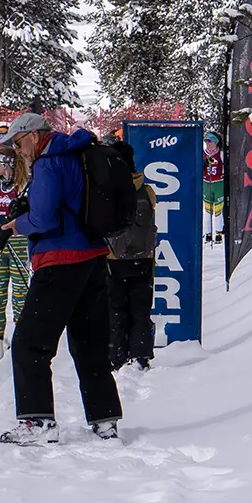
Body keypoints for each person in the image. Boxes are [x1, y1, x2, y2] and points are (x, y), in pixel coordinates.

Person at [0, 112, 122, 444]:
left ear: (35, 136)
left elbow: (43, 218)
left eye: (19, 142)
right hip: (93, 258)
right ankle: (104, 418)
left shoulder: (48, 162)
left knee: (28, 343)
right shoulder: (75, 152)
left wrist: (13, 226)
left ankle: (37, 421)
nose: (19, 151)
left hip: (60, 261)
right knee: (89, 343)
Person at [105, 139, 160, 371]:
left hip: (113, 261)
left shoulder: (107, 189)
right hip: (144, 258)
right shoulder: (147, 190)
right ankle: (141, 355)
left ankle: (116, 357)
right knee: (141, 309)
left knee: (115, 310)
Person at [0, 153, 32, 363]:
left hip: (18, 244)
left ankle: (21, 342)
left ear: (7, 165)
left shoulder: (23, 187)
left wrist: (2, 220)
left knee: (20, 297)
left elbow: (27, 216)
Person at [201, 131, 227, 242]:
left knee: (218, 210)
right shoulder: (202, 153)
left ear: (216, 143)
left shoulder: (221, 154)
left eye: (210, 142)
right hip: (207, 183)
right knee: (207, 210)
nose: (208, 144)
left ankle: (219, 232)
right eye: (206, 141)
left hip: (218, 184)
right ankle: (207, 233)